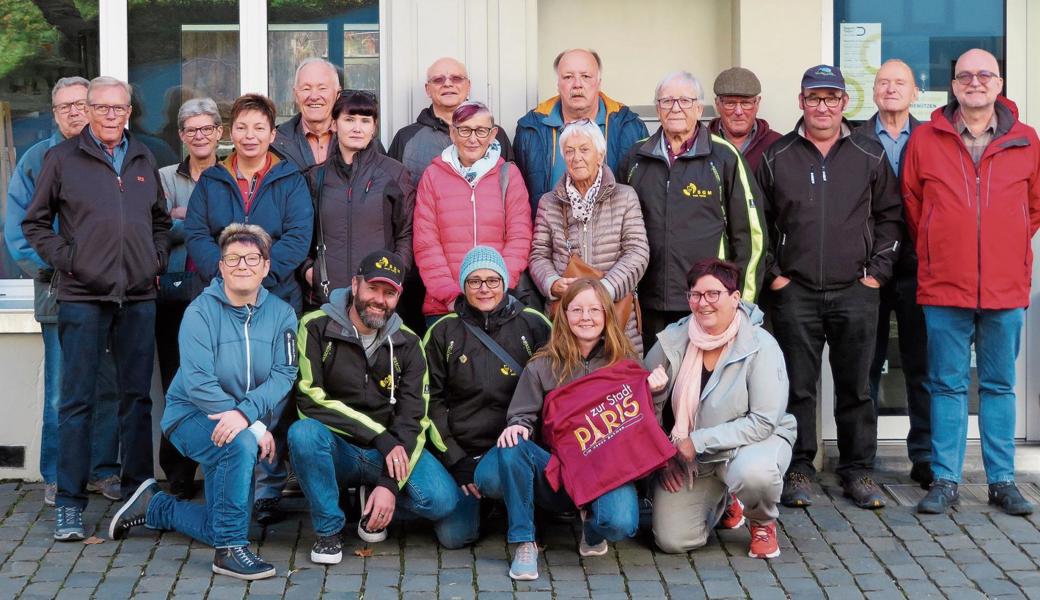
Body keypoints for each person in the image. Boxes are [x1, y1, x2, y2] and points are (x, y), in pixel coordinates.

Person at [22, 75, 172, 540]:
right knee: (77, 402)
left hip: (139, 296)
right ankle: (69, 502)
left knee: (136, 400)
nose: (111, 116)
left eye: (119, 109)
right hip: (83, 297)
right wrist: (71, 262)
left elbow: (161, 222)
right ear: (87, 111)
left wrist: (155, 260)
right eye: (102, 108)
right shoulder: (62, 158)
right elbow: (35, 223)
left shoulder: (144, 156)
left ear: (129, 112)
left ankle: (138, 495)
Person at [108, 224, 298, 581]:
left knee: (221, 521)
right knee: (239, 448)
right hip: (191, 417)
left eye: (252, 257)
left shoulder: (282, 315)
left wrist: (245, 416)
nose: (243, 265)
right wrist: (252, 425)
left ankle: (155, 506)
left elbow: (283, 375)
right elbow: (199, 384)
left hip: (238, 422)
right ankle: (229, 553)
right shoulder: (199, 313)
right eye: (232, 258)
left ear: (266, 266)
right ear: (221, 267)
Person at [756, 65, 901, 510]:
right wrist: (775, 274)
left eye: (831, 98)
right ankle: (799, 466)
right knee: (798, 385)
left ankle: (858, 470)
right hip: (794, 291)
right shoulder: (776, 156)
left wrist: (876, 272)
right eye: (814, 98)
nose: (823, 106)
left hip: (855, 289)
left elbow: (891, 218)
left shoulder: (869, 153)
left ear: (844, 104)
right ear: (801, 102)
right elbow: (757, 224)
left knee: (857, 385)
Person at [904, 49, 1040, 516]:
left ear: (999, 84)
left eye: (985, 75)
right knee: (946, 385)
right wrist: (945, 244)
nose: (975, 82)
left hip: (1005, 286)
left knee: (1000, 386)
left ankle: (1002, 481)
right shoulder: (926, 138)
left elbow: (1035, 207)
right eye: (965, 75)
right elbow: (914, 204)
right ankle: (945, 480)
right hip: (945, 284)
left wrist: (1004, 244)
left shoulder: (1026, 139)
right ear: (953, 85)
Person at [184, 92, 313, 523]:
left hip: (278, 297)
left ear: (273, 133)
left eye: (259, 127)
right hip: (223, 297)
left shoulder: (289, 178)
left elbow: (299, 235)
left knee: (273, 387)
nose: (250, 135)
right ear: (230, 132)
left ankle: (268, 486)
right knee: (229, 380)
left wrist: (262, 279)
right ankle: (231, 478)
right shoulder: (214, 180)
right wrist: (227, 278)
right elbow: (198, 234)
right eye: (242, 127)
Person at [289, 251, 457, 565]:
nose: (379, 300)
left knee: (443, 501)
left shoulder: (408, 342)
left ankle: (374, 501)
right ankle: (328, 531)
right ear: (355, 285)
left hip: (391, 452)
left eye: (389, 292)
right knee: (303, 435)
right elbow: (309, 399)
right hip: (340, 448)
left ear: (398, 296)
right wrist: (380, 436)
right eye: (372, 289)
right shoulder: (314, 326)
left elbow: (413, 416)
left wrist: (389, 484)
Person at [5, 76, 123, 506]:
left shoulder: (116, 155)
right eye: (65, 106)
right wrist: (59, 273)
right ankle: (57, 474)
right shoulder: (39, 160)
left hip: (112, 296)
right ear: (54, 113)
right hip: (58, 296)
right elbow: (20, 233)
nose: (75, 112)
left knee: (108, 386)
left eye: (81, 104)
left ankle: (103, 472)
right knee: (61, 390)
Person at [489, 278, 641, 581]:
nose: (586, 318)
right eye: (577, 310)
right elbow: (522, 413)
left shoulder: (623, 361)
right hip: (559, 471)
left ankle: (592, 526)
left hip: (607, 471)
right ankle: (524, 540)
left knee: (620, 523)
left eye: (594, 310)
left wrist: (657, 391)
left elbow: (640, 418)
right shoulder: (543, 364)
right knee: (510, 447)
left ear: (607, 315)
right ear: (564, 315)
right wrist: (517, 426)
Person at [644, 258, 796, 559]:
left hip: (749, 446)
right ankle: (724, 500)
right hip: (692, 459)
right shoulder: (672, 340)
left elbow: (764, 421)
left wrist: (697, 441)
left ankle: (762, 521)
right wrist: (663, 456)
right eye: (696, 295)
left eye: (713, 294)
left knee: (755, 474)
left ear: (735, 297)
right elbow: (643, 410)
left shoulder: (760, 345)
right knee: (672, 540)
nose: (704, 303)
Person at [618, 71, 764, 352]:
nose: (676, 108)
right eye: (667, 101)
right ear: (657, 108)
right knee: (656, 385)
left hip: (707, 302)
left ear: (699, 108)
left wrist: (742, 303)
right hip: (648, 302)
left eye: (685, 101)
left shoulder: (724, 157)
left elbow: (751, 236)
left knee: (701, 389)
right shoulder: (635, 159)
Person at [423, 246, 552, 548]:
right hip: (463, 450)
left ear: (505, 282)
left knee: (493, 478)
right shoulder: (443, 331)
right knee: (456, 537)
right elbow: (430, 402)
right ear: (464, 285)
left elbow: (554, 391)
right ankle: (487, 501)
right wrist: (456, 459)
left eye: (493, 280)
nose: (484, 289)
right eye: (475, 281)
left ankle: (516, 503)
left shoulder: (533, 324)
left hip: (514, 446)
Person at [855, 60, 931, 488]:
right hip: (870, 268)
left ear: (915, 92)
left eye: (900, 82)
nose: (890, 89)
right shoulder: (857, 138)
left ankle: (923, 455)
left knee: (921, 365)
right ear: (874, 91)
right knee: (867, 363)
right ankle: (862, 458)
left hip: (920, 267)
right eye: (883, 82)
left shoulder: (932, 137)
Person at [529, 120, 648, 353]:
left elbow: (638, 252)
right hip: (568, 314)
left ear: (600, 155)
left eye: (584, 149)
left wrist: (604, 290)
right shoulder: (549, 202)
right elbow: (538, 254)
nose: (576, 157)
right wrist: (552, 283)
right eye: (569, 151)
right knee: (570, 380)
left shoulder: (625, 197)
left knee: (620, 382)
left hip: (616, 312)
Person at [156, 97, 224, 500]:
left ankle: (219, 466)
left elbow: (239, 228)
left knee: (219, 381)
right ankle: (178, 473)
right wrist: (198, 225)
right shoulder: (165, 177)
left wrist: (189, 218)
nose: (200, 136)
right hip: (176, 295)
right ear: (181, 136)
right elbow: (158, 229)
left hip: (219, 293)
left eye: (207, 128)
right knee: (176, 383)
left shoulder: (230, 174)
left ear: (219, 132)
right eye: (191, 130)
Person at [412, 101, 532, 325]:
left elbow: (520, 237)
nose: (473, 138)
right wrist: (450, 294)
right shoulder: (433, 176)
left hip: (499, 304)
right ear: (452, 132)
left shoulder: (508, 175)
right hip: (445, 307)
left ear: (493, 133)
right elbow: (426, 243)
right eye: (464, 130)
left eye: (481, 130)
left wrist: (497, 288)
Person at [300, 90, 414, 308]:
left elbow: (406, 232)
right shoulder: (315, 177)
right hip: (326, 296)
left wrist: (396, 272)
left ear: (374, 127)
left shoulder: (394, 173)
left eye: (365, 120)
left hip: (378, 298)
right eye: (349, 119)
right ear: (334, 124)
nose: (357, 127)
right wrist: (308, 270)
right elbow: (301, 233)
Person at [514, 48, 648, 212]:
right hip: (551, 234)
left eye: (585, 76)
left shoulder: (630, 127)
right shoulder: (531, 129)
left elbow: (644, 198)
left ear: (598, 83)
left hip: (613, 235)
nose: (577, 84)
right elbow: (519, 203)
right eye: (568, 77)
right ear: (558, 84)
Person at [388, 57, 514, 187]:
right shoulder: (405, 137)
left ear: (468, 86)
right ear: (427, 89)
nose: (447, 84)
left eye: (456, 78)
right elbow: (392, 194)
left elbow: (511, 188)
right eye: (438, 80)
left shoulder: (494, 135)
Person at [271, 58, 341, 170]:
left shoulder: (359, 139)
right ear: (295, 95)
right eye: (306, 89)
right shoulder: (274, 143)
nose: (314, 96)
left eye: (322, 88)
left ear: (337, 94)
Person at [708, 67, 783, 172]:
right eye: (730, 103)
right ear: (717, 103)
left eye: (745, 103)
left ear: (757, 103)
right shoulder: (701, 143)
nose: (738, 112)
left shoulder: (778, 145)